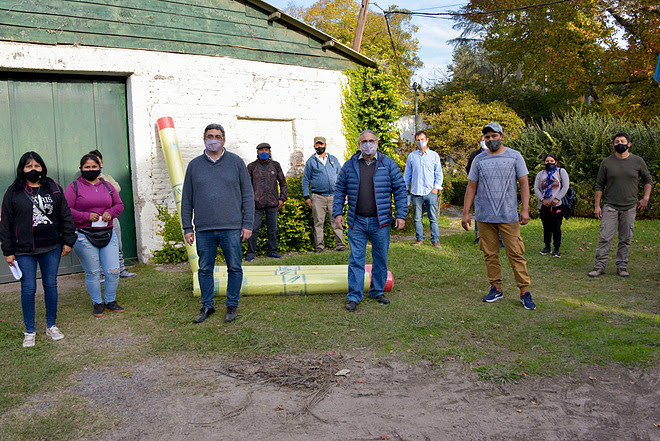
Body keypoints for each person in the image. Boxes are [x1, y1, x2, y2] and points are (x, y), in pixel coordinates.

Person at [0, 152, 77, 348]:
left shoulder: (53, 188)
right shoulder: (13, 192)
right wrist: (8, 251)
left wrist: (68, 241)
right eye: (28, 166)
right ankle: (30, 330)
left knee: (50, 285)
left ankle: (51, 325)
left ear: (42, 167)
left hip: (51, 246)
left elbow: (65, 215)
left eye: (37, 165)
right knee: (28, 289)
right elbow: (5, 223)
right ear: (22, 169)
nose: (33, 169)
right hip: (24, 249)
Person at [181, 123, 254, 323]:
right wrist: (187, 227)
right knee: (204, 269)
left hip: (232, 228)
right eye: (210, 136)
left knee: (234, 267)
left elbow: (248, 195)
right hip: (204, 229)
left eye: (218, 136)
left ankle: (232, 305)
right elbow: (187, 199)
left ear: (224, 140)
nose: (214, 139)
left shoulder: (236, 163)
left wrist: (247, 223)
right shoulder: (194, 165)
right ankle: (207, 305)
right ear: (204, 139)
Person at [461, 122, 536, 310]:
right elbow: (471, 186)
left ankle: (524, 291)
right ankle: (496, 288)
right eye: (487, 137)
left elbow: (524, 183)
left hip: (508, 216)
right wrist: (465, 213)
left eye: (494, 136)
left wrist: (525, 209)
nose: (491, 140)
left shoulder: (514, 156)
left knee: (516, 254)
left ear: (502, 136)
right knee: (490, 254)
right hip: (484, 217)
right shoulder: (479, 159)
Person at [333, 130, 407, 312]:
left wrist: (401, 215)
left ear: (377, 143)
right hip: (356, 221)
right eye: (364, 141)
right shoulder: (350, 165)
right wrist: (337, 213)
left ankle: (377, 290)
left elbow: (399, 190)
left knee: (380, 258)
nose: (368, 144)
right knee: (356, 259)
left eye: (371, 140)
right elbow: (340, 189)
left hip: (380, 221)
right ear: (359, 144)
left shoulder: (388, 164)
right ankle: (354, 296)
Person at [65, 153, 125, 317]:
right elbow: (66, 210)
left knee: (113, 270)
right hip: (84, 236)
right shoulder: (74, 187)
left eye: (94, 167)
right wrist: (85, 216)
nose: (91, 170)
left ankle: (110, 301)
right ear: (81, 169)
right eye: (87, 167)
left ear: (100, 167)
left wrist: (110, 212)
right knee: (92, 272)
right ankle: (97, 303)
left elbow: (119, 205)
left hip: (107, 233)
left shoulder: (107, 186)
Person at [588, 133, 653, 278]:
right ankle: (599, 267)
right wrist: (597, 206)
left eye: (623, 141)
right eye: (617, 141)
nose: (620, 143)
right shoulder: (607, 162)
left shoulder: (637, 161)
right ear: (613, 145)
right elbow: (599, 185)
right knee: (604, 237)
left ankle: (622, 267)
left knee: (625, 238)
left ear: (629, 144)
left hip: (630, 207)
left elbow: (648, 179)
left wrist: (645, 198)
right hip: (610, 206)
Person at [88, 149, 136, 279]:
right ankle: (102, 273)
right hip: (95, 219)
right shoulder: (85, 181)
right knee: (98, 246)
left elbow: (116, 189)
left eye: (98, 163)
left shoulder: (107, 178)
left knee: (117, 244)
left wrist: (101, 180)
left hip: (111, 217)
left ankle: (121, 269)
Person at [302, 136, 346, 252]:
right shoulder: (311, 161)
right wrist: (306, 196)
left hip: (334, 196)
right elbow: (305, 179)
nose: (319, 147)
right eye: (317, 145)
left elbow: (341, 176)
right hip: (318, 196)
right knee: (318, 223)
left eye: (321, 145)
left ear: (325, 145)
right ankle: (319, 246)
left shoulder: (333, 159)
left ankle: (340, 245)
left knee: (336, 220)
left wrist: (344, 193)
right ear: (314, 146)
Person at [246, 143, 287, 261]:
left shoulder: (275, 165)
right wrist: (249, 201)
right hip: (256, 204)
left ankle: (273, 251)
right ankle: (251, 253)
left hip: (272, 203)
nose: (264, 152)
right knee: (253, 229)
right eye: (261, 150)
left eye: (266, 150)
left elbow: (283, 183)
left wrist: (282, 198)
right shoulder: (252, 167)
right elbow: (247, 186)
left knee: (273, 229)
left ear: (270, 152)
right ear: (257, 152)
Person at [404, 130, 443, 248]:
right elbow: (407, 175)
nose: (421, 142)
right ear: (416, 141)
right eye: (418, 140)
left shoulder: (434, 155)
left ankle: (435, 240)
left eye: (422, 139)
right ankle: (420, 238)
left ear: (427, 140)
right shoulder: (412, 156)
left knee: (433, 217)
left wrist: (436, 188)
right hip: (416, 192)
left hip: (430, 191)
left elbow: (439, 173)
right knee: (417, 218)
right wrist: (404, 189)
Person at [534, 154, 570, 258]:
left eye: (551, 161)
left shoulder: (561, 172)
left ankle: (556, 248)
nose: (549, 163)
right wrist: (542, 199)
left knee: (556, 227)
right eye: (547, 161)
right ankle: (547, 247)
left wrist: (557, 198)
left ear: (556, 162)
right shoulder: (540, 174)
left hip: (557, 205)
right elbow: (536, 188)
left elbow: (565, 186)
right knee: (546, 227)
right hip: (544, 205)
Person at [466, 134, 487, 244]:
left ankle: (499, 238)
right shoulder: (475, 155)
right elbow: (469, 170)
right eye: (482, 139)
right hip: (478, 188)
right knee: (478, 212)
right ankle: (478, 236)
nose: (484, 141)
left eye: (486, 139)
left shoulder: (496, 154)